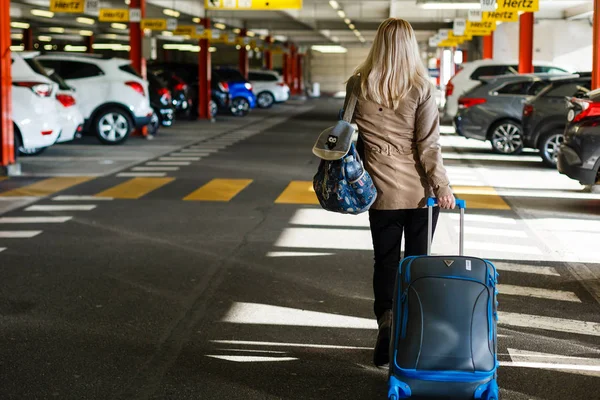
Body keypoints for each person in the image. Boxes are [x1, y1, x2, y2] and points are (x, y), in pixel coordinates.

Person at [342, 18, 456, 367]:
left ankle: (386, 320)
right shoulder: (421, 86)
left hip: (379, 192)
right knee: (416, 263)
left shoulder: (359, 83)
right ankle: (413, 333)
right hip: (420, 194)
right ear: (410, 46)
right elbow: (428, 146)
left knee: (386, 261)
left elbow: (343, 134)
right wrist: (442, 186)